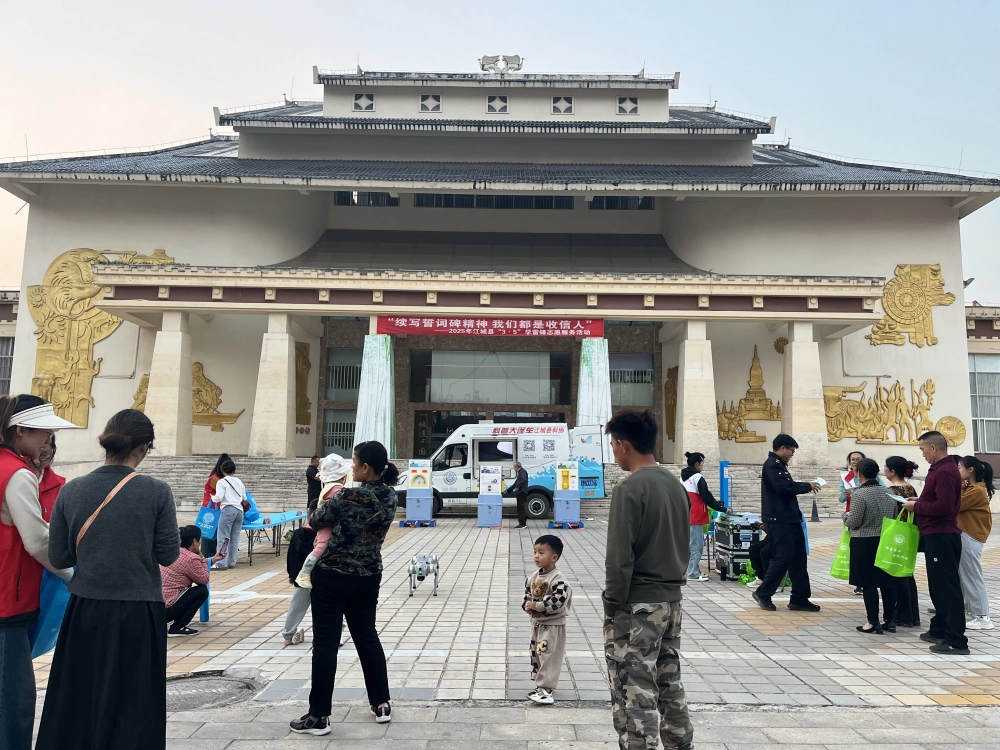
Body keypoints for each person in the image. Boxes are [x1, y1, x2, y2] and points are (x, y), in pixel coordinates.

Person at [37, 408, 179, 749]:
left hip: (86, 608)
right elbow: (168, 555)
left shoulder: (72, 490)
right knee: (136, 698)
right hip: (139, 609)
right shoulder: (157, 492)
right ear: (144, 448)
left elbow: (59, 557)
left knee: (81, 693)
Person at [290, 440, 399, 736]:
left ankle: (319, 716)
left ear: (366, 467)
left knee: (326, 644)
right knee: (367, 638)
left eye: (354, 461)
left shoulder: (347, 495)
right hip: (368, 575)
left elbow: (315, 519)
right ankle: (381, 703)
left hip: (333, 576)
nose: (352, 466)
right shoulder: (390, 496)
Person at [603, 410, 693, 750]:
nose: (614, 452)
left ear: (624, 445)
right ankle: (680, 743)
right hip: (672, 601)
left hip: (638, 604)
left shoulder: (630, 488)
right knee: (669, 681)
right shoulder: (675, 485)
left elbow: (619, 557)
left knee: (633, 687)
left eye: (614, 445)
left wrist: (612, 603)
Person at [0, 395, 76, 750]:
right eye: (43, 431)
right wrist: (72, 574)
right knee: (13, 702)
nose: (48, 439)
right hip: (8, 602)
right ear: (19, 431)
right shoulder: (17, 474)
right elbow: (37, 541)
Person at [901, 431, 968, 654]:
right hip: (935, 534)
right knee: (937, 587)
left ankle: (956, 640)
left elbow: (944, 506)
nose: (922, 454)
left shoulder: (946, 471)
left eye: (922, 449)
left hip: (942, 535)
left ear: (933, 448)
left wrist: (916, 507)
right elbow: (937, 499)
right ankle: (939, 628)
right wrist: (920, 500)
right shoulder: (940, 469)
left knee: (947, 588)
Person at [282, 454, 352, 647]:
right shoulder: (337, 492)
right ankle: (335, 635)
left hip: (304, 575)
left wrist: (292, 575)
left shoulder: (299, 534)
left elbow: (291, 557)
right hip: (327, 565)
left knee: (300, 601)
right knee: (333, 602)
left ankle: (288, 634)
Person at [753, 434, 822, 613]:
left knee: (799, 558)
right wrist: (807, 485)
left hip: (790, 519)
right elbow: (783, 488)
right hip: (779, 520)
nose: (792, 454)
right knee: (783, 557)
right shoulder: (772, 464)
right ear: (782, 448)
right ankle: (763, 593)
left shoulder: (780, 465)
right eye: (791, 450)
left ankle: (800, 598)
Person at [842, 458, 900, 634]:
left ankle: (872, 621)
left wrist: (844, 516)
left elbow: (853, 522)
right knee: (887, 582)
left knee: (868, 583)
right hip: (885, 540)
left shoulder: (859, 494)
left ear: (859, 473)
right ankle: (889, 620)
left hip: (864, 541)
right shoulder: (889, 492)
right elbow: (894, 516)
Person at [522, 534, 572, 705]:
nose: (536, 556)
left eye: (541, 553)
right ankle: (541, 686)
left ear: (554, 557)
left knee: (548, 655)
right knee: (537, 654)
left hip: (552, 626)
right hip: (538, 624)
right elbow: (528, 595)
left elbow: (558, 602)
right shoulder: (534, 577)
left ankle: (547, 690)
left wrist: (538, 606)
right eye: (535, 552)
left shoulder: (558, 580)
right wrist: (527, 605)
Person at [161, 525, 224, 637]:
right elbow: (204, 579)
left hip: (155, 609)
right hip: (168, 610)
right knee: (201, 591)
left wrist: (214, 559)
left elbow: (194, 568)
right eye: (199, 540)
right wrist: (202, 558)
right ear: (194, 541)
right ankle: (177, 627)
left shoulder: (170, 551)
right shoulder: (191, 558)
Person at [957, 455, 994, 631]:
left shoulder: (977, 490)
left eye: (959, 467)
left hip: (971, 536)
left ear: (970, 470)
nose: (957, 471)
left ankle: (982, 617)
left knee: (972, 576)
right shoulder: (970, 488)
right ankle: (971, 610)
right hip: (967, 534)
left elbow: (955, 505)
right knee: (965, 575)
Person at [884, 456, 921, 628]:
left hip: (895, 535)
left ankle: (902, 615)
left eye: (886, 467)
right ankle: (912, 615)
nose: (884, 470)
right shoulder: (910, 488)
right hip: (909, 533)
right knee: (907, 573)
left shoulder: (890, 491)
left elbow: (889, 514)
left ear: (892, 471)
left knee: (895, 574)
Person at [681, 451, 726, 582]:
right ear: (697, 464)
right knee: (696, 545)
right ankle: (693, 573)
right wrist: (722, 508)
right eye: (702, 463)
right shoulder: (697, 477)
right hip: (695, 515)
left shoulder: (682, 477)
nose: (703, 465)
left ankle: (692, 569)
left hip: (684, 515)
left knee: (689, 545)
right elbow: (707, 497)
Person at [212, 459, 247, 570]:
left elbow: (219, 497)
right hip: (239, 510)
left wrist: (212, 497)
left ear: (222, 470)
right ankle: (232, 562)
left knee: (223, 537)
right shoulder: (239, 481)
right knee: (235, 538)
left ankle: (221, 563)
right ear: (234, 470)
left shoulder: (221, 482)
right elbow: (244, 497)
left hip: (228, 509)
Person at [200, 453, 231, 558]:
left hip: (218, 510)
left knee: (216, 535)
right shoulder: (215, 479)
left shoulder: (222, 479)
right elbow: (222, 494)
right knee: (209, 534)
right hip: (211, 511)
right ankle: (208, 557)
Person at [34, 433, 66, 523]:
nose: (36, 461)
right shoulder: (8, 480)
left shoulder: (61, 487)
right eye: (30, 455)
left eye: (44, 456)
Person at [510, 460, 529, 529]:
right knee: (520, 508)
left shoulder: (522, 472)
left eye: (514, 467)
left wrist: (518, 486)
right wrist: (508, 490)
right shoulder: (520, 473)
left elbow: (523, 480)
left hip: (522, 492)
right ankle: (522, 523)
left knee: (521, 508)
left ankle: (522, 524)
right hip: (520, 492)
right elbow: (515, 483)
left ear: (516, 466)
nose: (514, 469)